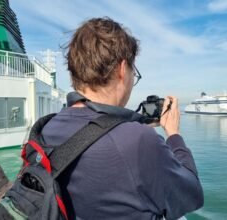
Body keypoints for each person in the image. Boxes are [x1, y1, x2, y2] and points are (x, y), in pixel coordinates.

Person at [41, 17, 203, 220]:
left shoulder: (47, 128)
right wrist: (173, 134)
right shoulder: (138, 140)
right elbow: (192, 196)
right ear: (121, 69)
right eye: (133, 71)